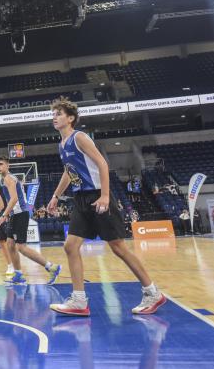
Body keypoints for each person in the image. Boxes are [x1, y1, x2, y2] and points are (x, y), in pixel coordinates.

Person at [47, 98, 165, 316]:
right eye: (53, 113)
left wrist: (105, 195)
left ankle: (153, 292)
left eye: (59, 113)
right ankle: (79, 301)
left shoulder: (79, 137)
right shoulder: (61, 145)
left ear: (70, 118)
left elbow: (102, 163)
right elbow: (68, 172)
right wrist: (55, 195)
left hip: (97, 196)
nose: (54, 116)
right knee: (70, 247)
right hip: (80, 199)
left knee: (118, 248)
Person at [0, 157, 61, 285]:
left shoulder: (8, 178)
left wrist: (4, 215)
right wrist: (9, 214)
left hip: (20, 214)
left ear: (8, 165)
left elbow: (13, 199)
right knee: (10, 244)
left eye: (1, 164)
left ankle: (52, 267)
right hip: (15, 214)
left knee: (21, 247)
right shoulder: (5, 179)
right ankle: (18, 274)